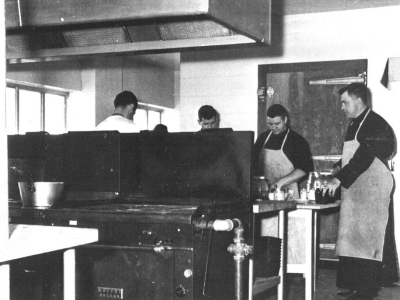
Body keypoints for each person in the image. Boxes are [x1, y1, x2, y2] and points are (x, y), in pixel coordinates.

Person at [324, 83, 398, 300]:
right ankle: (353, 284)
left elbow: (365, 155)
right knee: (351, 237)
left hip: (372, 187)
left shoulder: (375, 123)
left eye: (345, 102)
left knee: (368, 238)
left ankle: (367, 289)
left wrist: (340, 177)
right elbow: (354, 154)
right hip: (357, 187)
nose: (342, 108)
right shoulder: (356, 123)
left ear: (358, 101)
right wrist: (339, 165)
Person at [253, 104, 313, 198]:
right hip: (264, 194)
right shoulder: (262, 138)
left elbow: (303, 170)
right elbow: (252, 163)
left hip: (288, 195)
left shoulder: (297, 140)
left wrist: (279, 183)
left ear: (285, 120)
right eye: (270, 124)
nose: (273, 127)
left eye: (277, 124)